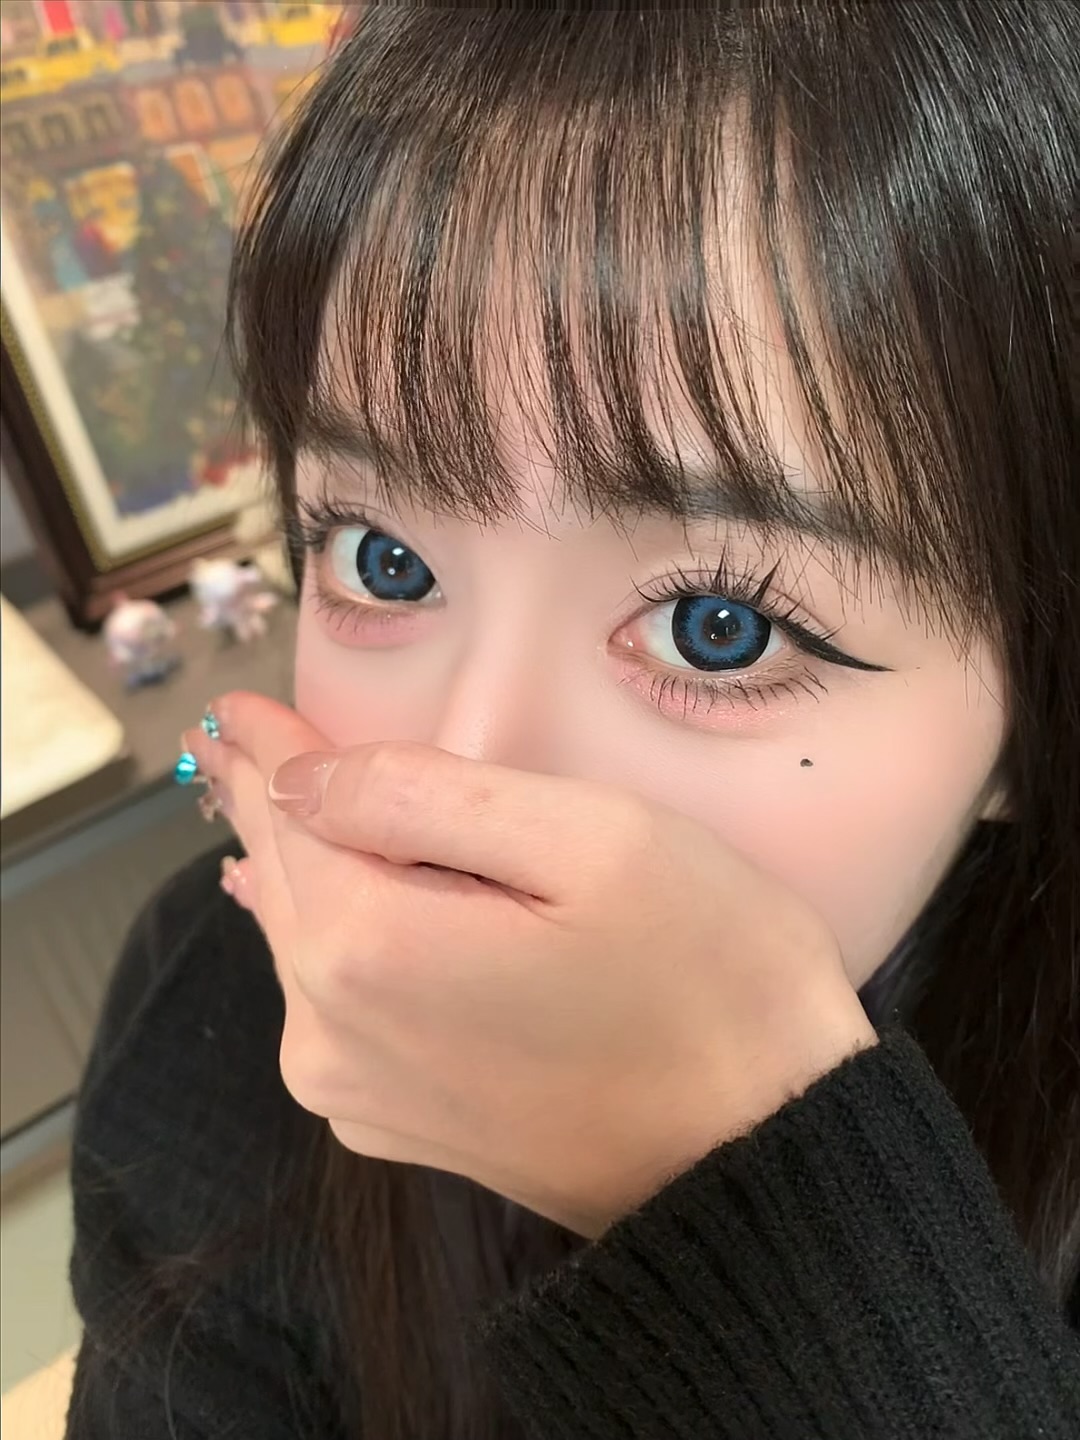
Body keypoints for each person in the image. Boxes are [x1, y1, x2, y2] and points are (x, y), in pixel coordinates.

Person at [64, 5, 1080, 1437]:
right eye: (383, 558)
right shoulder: (216, 1003)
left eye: (720, 626)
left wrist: (767, 1218)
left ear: (1033, 717)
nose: (457, 777)